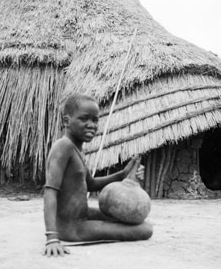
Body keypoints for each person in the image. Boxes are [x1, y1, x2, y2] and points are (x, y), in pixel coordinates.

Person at [43, 93, 153, 257]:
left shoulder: (75, 149)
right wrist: (52, 237)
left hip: (82, 215)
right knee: (145, 229)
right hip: (73, 228)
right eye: (84, 119)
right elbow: (50, 191)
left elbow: (91, 184)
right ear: (66, 121)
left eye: (95, 120)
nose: (91, 125)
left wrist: (123, 174)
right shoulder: (63, 146)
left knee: (134, 220)